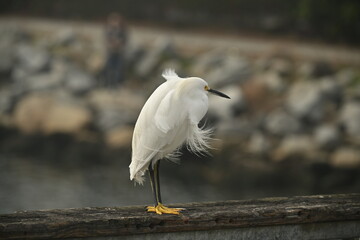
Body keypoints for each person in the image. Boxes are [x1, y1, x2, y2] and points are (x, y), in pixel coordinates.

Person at [103, 13, 127, 88]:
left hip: (119, 52)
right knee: (110, 69)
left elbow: (124, 40)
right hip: (111, 52)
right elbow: (107, 40)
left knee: (118, 69)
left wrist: (119, 43)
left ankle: (116, 85)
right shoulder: (109, 31)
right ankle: (109, 84)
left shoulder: (122, 31)